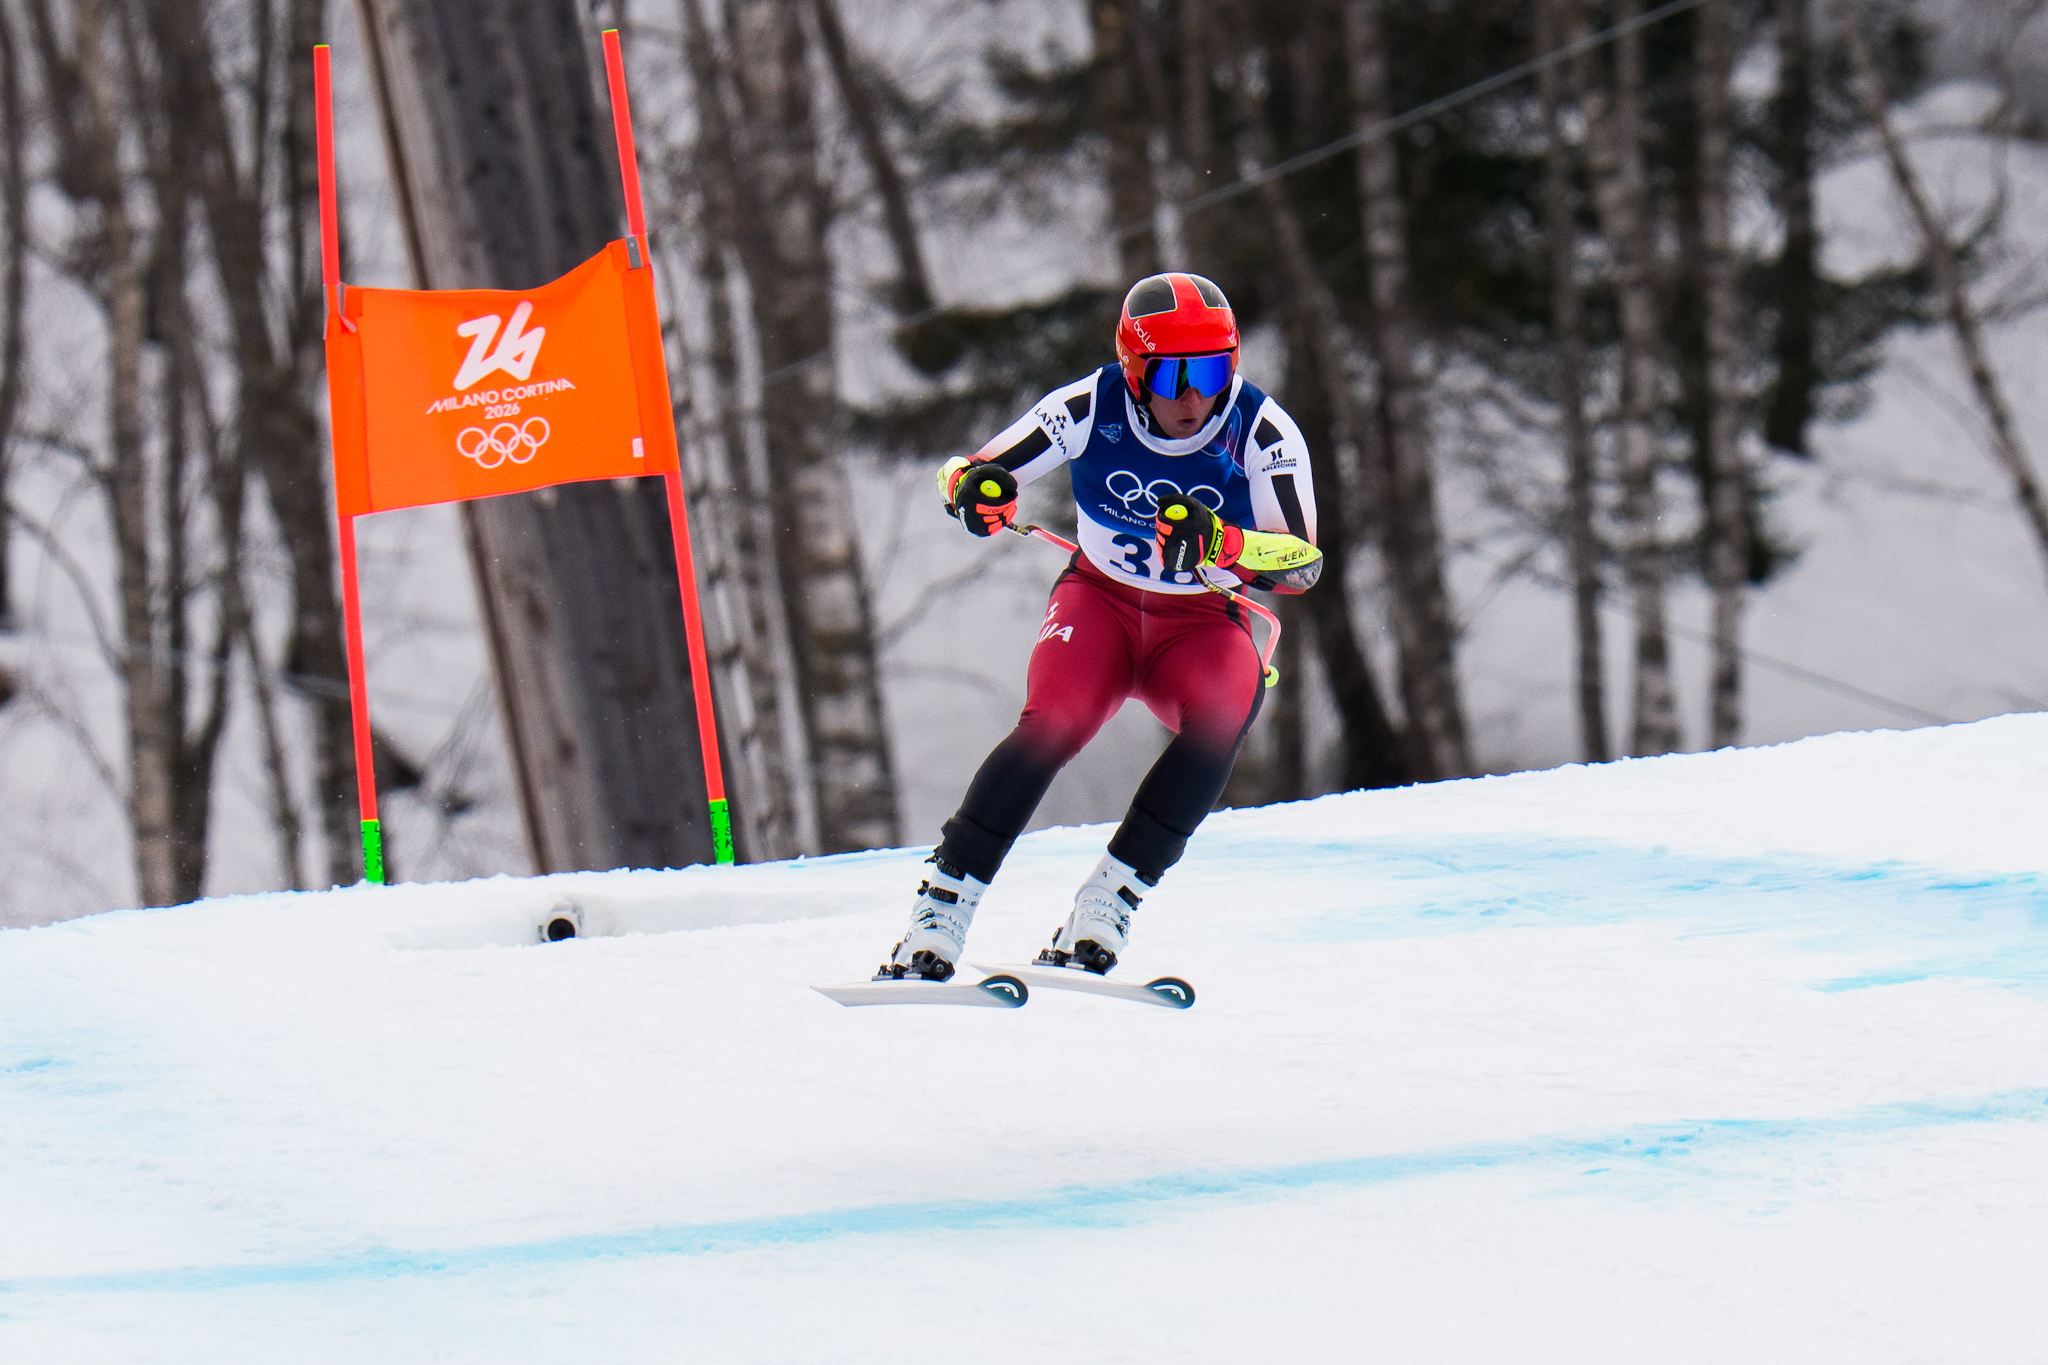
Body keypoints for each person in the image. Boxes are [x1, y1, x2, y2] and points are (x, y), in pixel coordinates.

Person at [881, 272, 1323, 981]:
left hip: (1200, 623)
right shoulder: (1090, 406)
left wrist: (1223, 543)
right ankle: (941, 910)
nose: (1192, 399)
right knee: (1054, 723)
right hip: (1102, 605)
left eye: (1212, 373)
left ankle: (1109, 901)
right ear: (1133, 370)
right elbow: (966, 471)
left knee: (1224, 717)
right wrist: (976, 493)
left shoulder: (1262, 431)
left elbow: (1302, 562)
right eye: (1171, 376)